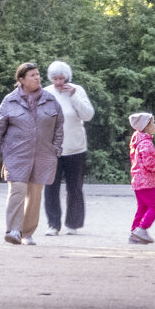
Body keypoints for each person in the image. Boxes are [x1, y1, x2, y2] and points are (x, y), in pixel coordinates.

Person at [0, 62, 64, 245]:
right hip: (16, 155)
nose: (37, 77)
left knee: (35, 194)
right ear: (21, 79)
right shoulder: (9, 101)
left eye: (38, 74)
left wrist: (55, 149)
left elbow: (59, 126)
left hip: (43, 155)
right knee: (17, 190)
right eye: (32, 75)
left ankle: (27, 233)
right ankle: (13, 230)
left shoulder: (50, 99)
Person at [43, 60, 95, 236]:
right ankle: (53, 224)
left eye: (62, 78)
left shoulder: (77, 90)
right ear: (51, 78)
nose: (59, 82)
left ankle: (73, 223)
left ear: (68, 77)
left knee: (74, 187)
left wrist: (73, 96)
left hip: (75, 148)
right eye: (55, 78)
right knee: (50, 187)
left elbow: (88, 115)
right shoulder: (45, 93)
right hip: (52, 149)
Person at [127, 111, 155, 244]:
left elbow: (140, 163)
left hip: (138, 180)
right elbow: (149, 163)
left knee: (142, 207)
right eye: (153, 123)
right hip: (145, 182)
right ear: (146, 126)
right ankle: (141, 229)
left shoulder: (137, 140)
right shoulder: (146, 143)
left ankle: (134, 233)